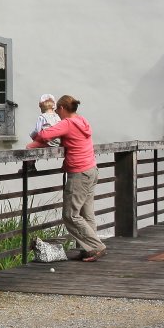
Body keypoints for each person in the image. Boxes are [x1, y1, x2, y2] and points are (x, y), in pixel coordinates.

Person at [26, 94, 105, 262]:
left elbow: (44, 135)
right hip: (91, 169)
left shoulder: (67, 123)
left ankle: (96, 247)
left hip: (79, 173)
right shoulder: (82, 121)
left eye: (57, 111)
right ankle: (88, 250)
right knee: (86, 214)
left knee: (70, 215)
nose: (56, 114)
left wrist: (34, 140)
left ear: (62, 108)